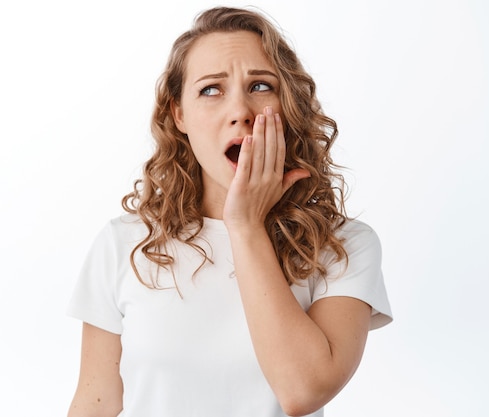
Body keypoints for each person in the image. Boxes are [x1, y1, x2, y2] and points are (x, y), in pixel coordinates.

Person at [66, 6, 392, 417]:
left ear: (289, 105)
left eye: (260, 86)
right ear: (178, 115)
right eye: (211, 89)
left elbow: (303, 390)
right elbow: (95, 404)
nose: (241, 111)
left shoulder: (344, 246)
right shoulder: (125, 244)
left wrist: (244, 224)